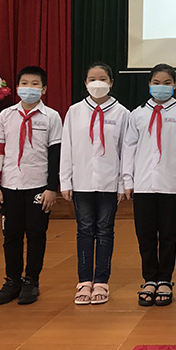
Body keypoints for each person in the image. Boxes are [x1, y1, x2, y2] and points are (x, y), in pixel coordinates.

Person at [0, 66, 62, 305]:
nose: (29, 88)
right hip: (9, 185)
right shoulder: (6, 116)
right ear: (17, 87)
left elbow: (55, 155)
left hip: (38, 186)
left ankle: (31, 280)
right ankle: (12, 281)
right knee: (11, 235)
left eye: (35, 84)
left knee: (36, 234)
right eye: (24, 83)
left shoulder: (51, 117)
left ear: (44, 89)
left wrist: (51, 188)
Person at [122, 63, 176, 307]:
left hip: (171, 185)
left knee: (168, 235)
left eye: (166, 83)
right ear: (149, 84)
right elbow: (129, 147)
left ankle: (165, 279)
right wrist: (128, 179)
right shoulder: (137, 114)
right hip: (143, 184)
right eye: (156, 82)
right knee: (145, 235)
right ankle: (149, 279)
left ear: (174, 85)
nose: (161, 87)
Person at [60, 62, 129, 305]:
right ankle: (84, 281)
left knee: (105, 231)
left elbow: (125, 150)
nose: (97, 83)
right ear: (85, 83)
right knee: (85, 230)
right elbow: (67, 147)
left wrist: (123, 183)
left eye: (102, 79)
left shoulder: (122, 113)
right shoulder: (74, 111)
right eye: (92, 79)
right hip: (81, 182)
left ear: (111, 82)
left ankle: (101, 281)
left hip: (109, 182)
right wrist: (65, 180)